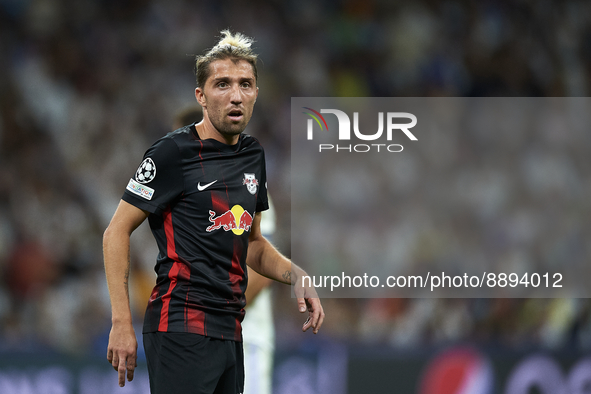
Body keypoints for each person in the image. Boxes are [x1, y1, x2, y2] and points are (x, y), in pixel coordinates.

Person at [103, 29, 324, 394]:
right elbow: (116, 231)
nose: (236, 95)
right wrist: (121, 321)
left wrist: (296, 274)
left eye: (245, 84)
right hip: (181, 325)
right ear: (201, 96)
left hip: (230, 331)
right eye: (222, 84)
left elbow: (252, 244)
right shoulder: (172, 153)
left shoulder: (254, 156)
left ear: (255, 93)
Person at [172, 105, 276, 394]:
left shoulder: (248, 186)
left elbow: (261, 269)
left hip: (245, 337)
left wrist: (216, 311)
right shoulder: (186, 194)